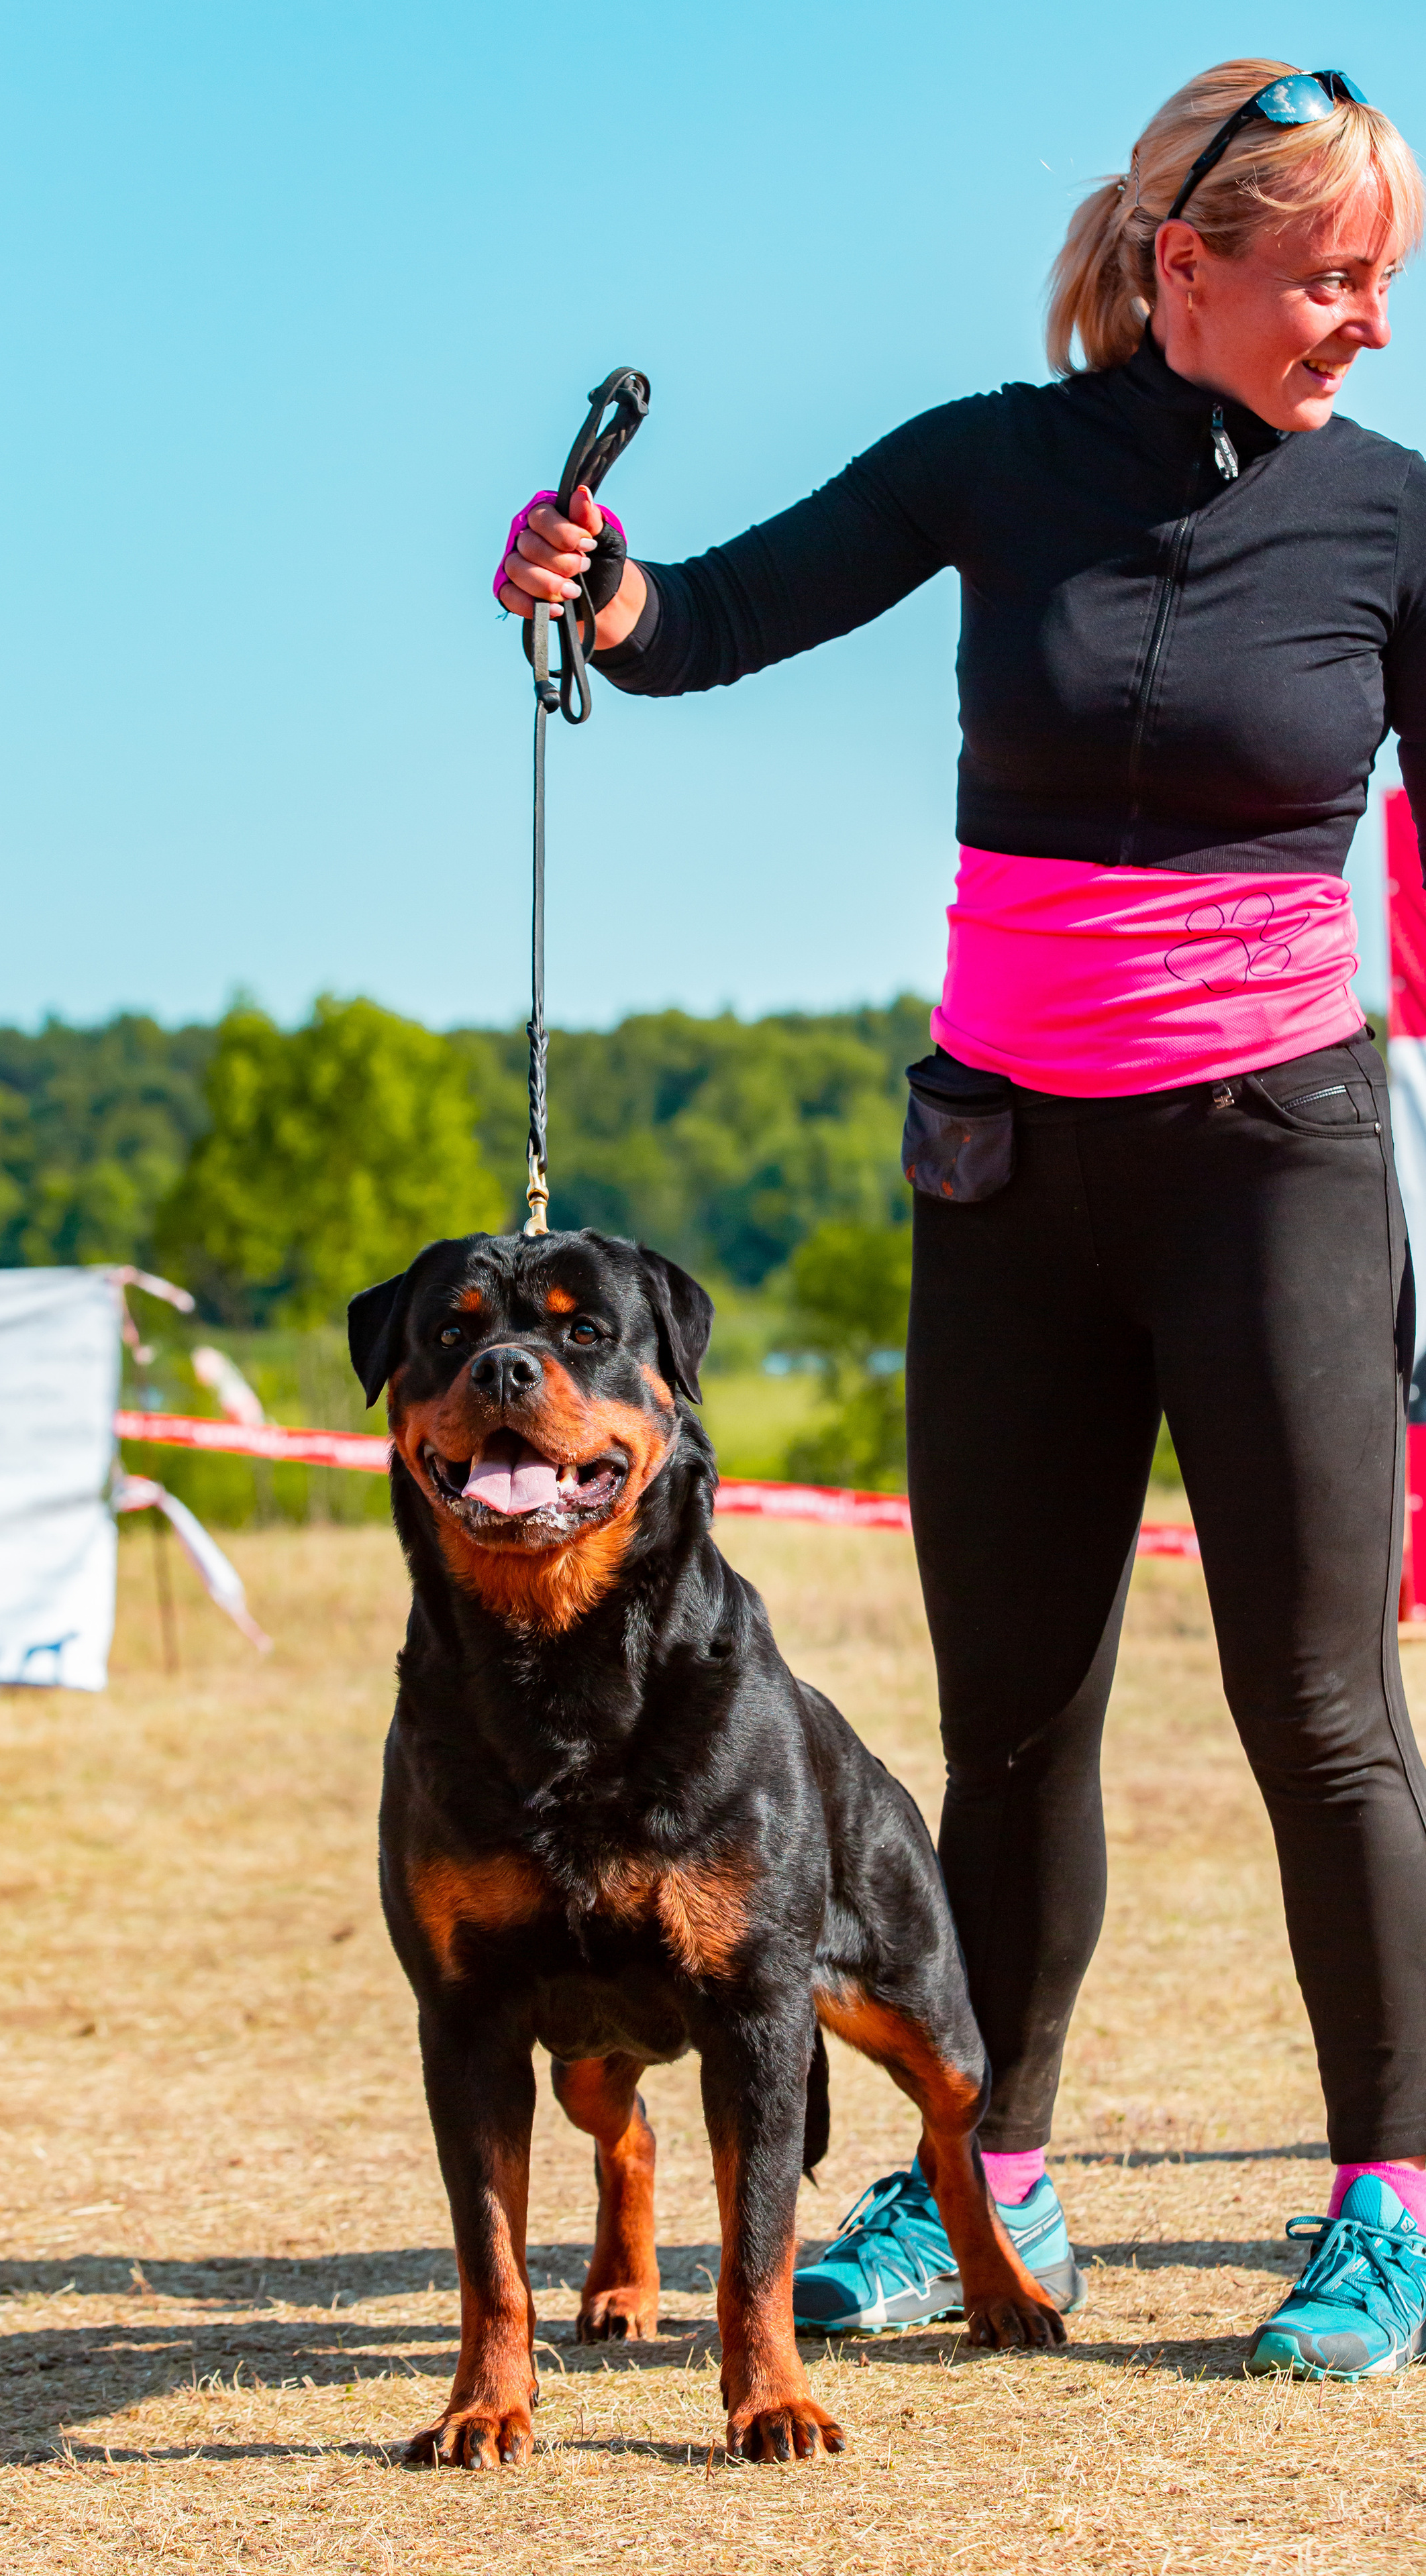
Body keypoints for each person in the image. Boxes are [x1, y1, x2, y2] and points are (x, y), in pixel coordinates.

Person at [493, 61, 1426, 2381]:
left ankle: (1389, 2203)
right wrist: (590, 587)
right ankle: (983, 2175)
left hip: (1282, 1163)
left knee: (1324, 1706)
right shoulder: (988, 464)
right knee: (1010, 1722)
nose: (1369, 326)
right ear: (1182, 266)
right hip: (1008, 1169)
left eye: (1384, 284)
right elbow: (699, 618)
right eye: (1332, 279)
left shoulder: (1395, 523)